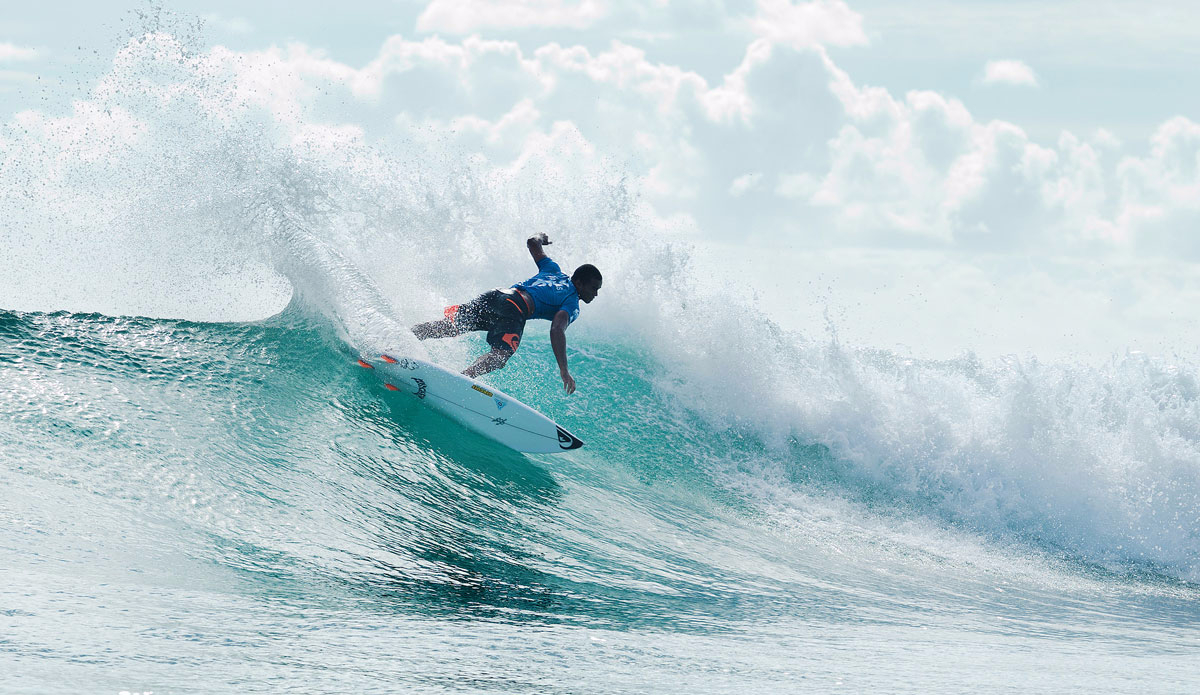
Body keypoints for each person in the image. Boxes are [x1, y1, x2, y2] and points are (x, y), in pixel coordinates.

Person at [412, 234, 602, 394]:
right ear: (578, 283)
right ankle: (462, 378)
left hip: (497, 295)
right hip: (516, 307)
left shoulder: (553, 269)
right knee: (501, 355)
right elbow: (557, 329)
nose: (595, 294)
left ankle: (408, 333)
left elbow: (532, 242)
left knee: (451, 327)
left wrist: (541, 238)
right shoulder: (572, 302)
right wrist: (564, 370)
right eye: (593, 288)